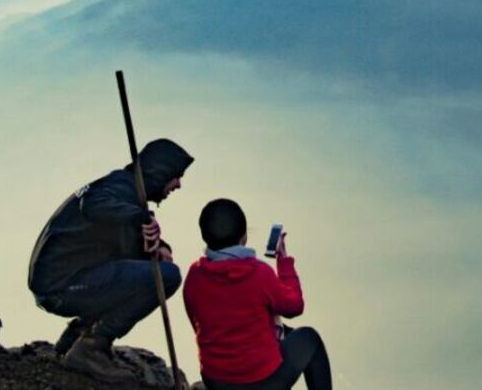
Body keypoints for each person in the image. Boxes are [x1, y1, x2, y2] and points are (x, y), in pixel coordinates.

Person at [28, 138, 194, 383]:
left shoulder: (122, 189)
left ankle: (80, 333)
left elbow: (123, 247)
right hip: (61, 286)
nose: (178, 184)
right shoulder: (118, 188)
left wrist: (159, 247)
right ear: (159, 173)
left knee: (153, 268)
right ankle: (93, 347)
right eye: (176, 175)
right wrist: (140, 217)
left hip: (61, 282)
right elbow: (94, 204)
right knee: (167, 276)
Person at [183, 198, 332, 390]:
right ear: (244, 236)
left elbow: (199, 324)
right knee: (309, 339)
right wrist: (284, 262)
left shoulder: (194, 276)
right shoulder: (258, 273)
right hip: (260, 382)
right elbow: (294, 306)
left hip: (216, 380)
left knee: (286, 332)